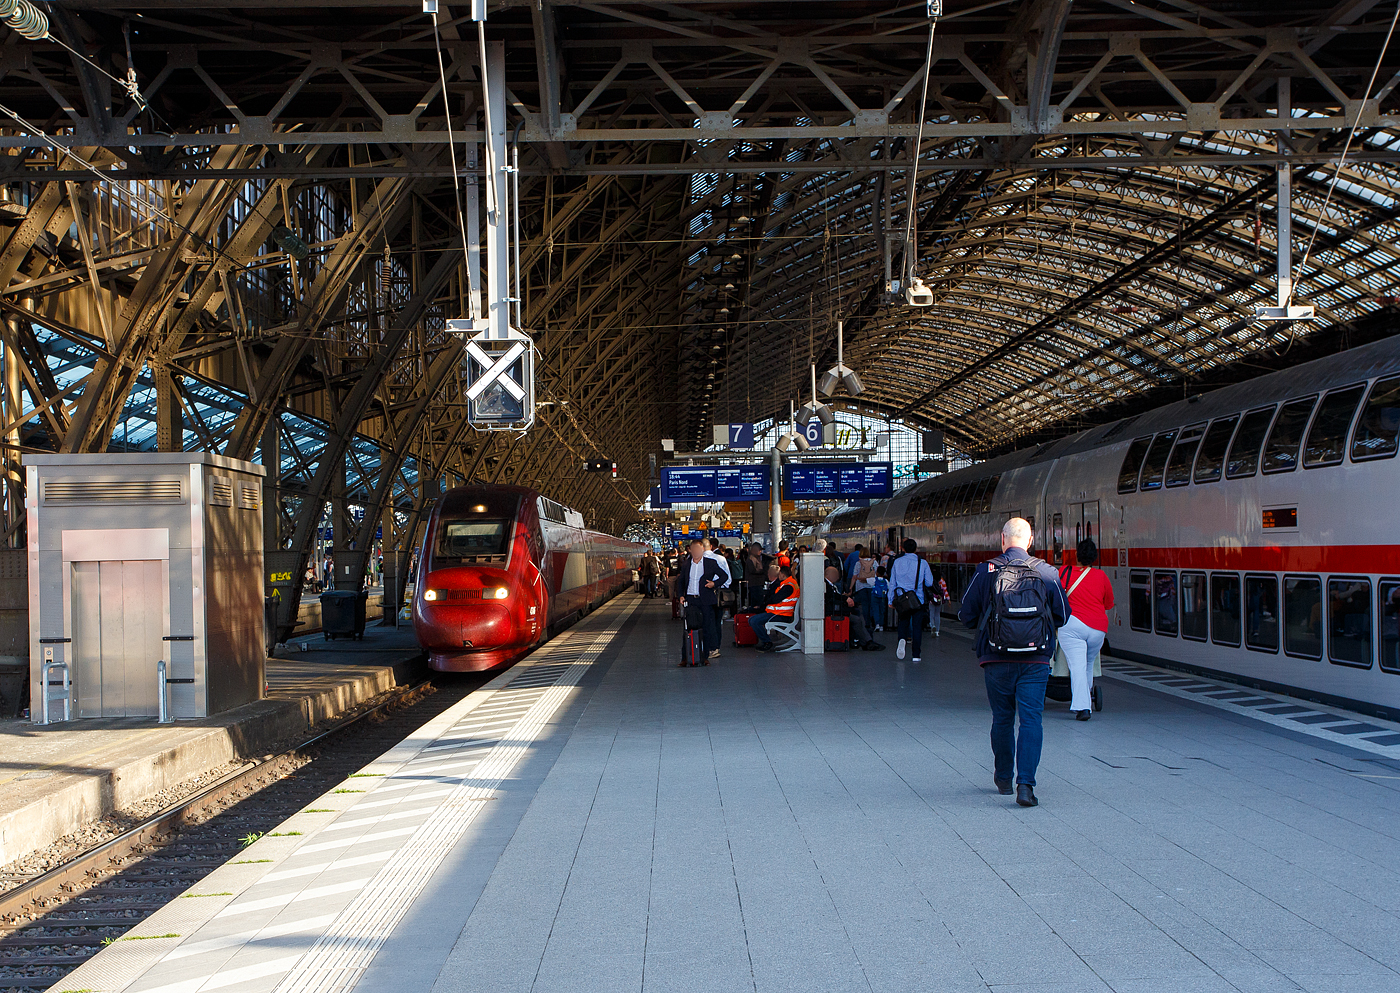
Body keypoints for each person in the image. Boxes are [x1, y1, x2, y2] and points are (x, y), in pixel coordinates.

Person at [958, 518, 1070, 808]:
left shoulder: (986, 570)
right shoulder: (1047, 572)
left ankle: (1004, 778)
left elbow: (966, 615)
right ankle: (1026, 786)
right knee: (1031, 719)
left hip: (996, 658)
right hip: (1035, 659)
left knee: (1002, 718)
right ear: (1031, 541)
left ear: (1002, 539)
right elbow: (1063, 615)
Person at [1057, 539, 1115, 720]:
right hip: (1098, 629)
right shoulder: (1101, 576)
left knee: (1077, 666)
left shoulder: (1064, 572)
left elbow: (1056, 598)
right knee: (1088, 664)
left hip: (1072, 626)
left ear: (1076, 555)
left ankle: (1083, 707)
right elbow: (1109, 604)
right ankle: (1086, 699)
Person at [677, 539, 726, 665]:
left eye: (698, 549)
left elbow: (724, 576)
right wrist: (681, 596)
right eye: (693, 550)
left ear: (703, 550)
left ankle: (704, 657)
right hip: (690, 599)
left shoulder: (710, 563)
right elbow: (681, 580)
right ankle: (685, 657)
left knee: (706, 628)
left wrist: (714, 584)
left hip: (705, 600)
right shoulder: (687, 564)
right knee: (688, 628)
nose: (696, 552)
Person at [888, 538, 934, 662]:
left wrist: (890, 600)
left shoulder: (897, 562)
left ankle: (902, 639)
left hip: (902, 599)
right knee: (917, 627)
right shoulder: (922, 563)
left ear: (903, 549)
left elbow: (892, 583)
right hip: (917, 599)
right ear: (916, 549)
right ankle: (916, 655)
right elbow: (929, 582)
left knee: (903, 622)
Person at [824, 566, 883, 651]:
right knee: (856, 619)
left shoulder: (830, 585)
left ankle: (864, 640)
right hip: (833, 611)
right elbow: (831, 597)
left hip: (837, 608)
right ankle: (866, 642)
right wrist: (845, 599)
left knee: (858, 614)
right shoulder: (826, 585)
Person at [751, 563, 800, 651]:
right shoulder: (790, 584)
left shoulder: (788, 586)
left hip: (781, 614)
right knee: (752, 619)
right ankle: (766, 641)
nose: (778, 576)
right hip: (780, 613)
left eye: (779, 574)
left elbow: (775, 599)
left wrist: (772, 599)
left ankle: (767, 642)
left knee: (754, 621)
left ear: (783, 575)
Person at [926, 564, 951, 638]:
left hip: (932, 599)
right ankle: (937, 630)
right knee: (937, 614)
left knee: (932, 614)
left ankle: (932, 626)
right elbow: (945, 590)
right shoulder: (941, 580)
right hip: (939, 599)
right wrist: (948, 599)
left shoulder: (929, 579)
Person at [741, 542, 767, 609]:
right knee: (756, 601)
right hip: (754, 583)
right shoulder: (751, 559)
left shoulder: (757, 558)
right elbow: (752, 570)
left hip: (757, 583)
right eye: (759, 550)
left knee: (758, 600)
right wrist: (763, 570)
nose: (760, 552)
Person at [871, 566, 890, 631]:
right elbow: (889, 588)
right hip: (883, 597)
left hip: (875, 596)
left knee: (875, 610)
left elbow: (863, 580)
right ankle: (882, 625)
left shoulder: (873, 580)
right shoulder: (886, 581)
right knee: (882, 611)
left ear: (877, 573)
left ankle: (877, 624)